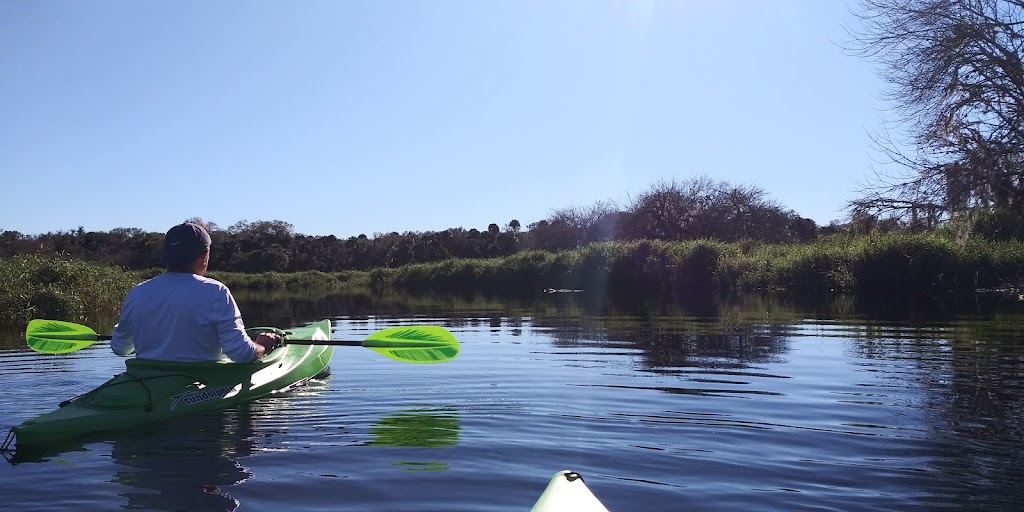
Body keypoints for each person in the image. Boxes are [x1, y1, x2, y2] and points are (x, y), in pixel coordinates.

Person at [110, 222, 280, 362]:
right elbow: (242, 354)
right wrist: (263, 346)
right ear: (205, 254)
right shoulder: (215, 291)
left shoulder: (137, 292)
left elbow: (120, 348)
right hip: (199, 384)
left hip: (146, 381)